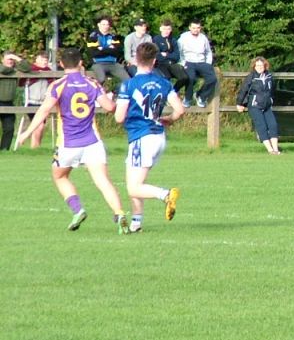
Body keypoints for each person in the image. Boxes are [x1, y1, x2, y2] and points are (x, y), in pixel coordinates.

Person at [16, 47, 129, 232]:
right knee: (103, 180)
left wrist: (26, 133)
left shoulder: (58, 85)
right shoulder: (92, 83)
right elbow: (109, 108)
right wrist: (111, 98)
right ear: (80, 63)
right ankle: (120, 213)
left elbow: (44, 110)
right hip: (92, 142)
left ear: (61, 64)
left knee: (59, 176)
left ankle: (78, 209)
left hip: (68, 143)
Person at [114, 41, 185, 231]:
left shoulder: (129, 85)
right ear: (154, 61)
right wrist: (169, 119)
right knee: (134, 181)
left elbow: (119, 117)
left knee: (133, 187)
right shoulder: (164, 83)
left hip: (141, 136)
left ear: (136, 60)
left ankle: (166, 195)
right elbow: (179, 110)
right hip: (158, 137)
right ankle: (136, 223)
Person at [236, 56, 281, 154]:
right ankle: (270, 150)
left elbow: (272, 90)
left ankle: (276, 149)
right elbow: (243, 90)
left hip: (267, 106)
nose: (260, 67)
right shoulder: (251, 77)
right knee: (262, 127)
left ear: (265, 66)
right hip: (255, 105)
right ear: (254, 67)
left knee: (273, 125)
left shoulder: (269, 76)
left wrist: (271, 100)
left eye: (261, 65)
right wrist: (239, 103)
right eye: (258, 65)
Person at [177, 20, 218, 107]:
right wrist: (183, 62)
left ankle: (201, 96)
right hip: (188, 61)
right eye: (194, 28)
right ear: (190, 28)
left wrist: (208, 63)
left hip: (201, 62)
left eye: (198, 28)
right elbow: (179, 51)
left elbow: (208, 52)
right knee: (191, 78)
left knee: (212, 79)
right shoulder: (183, 37)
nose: (196, 30)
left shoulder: (203, 38)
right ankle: (187, 98)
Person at [86, 16, 130, 92]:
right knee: (101, 79)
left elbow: (118, 51)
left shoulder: (113, 37)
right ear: (98, 25)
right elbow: (94, 53)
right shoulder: (93, 37)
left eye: (107, 24)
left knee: (128, 80)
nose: (106, 26)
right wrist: (110, 49)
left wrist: (102, 49)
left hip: (113, 63)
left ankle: (115, 91)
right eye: (103, 24)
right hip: (98, 63)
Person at [21, 51, 54, 147]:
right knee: (39, 125)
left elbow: (53, 83)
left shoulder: (49, 71)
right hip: (31, 102)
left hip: (43, 103)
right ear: (37, 59)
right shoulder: (31, 70)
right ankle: (34, 147)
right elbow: (22, 82)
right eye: (42, 59)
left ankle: (36, 146)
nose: (44, 62)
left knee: (40, 126)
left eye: (46, 60)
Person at [0, 50, 29, 151]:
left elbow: (27, 68)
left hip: (8, 102)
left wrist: (17, 58)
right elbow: (3, 69)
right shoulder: (6, 68)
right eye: (8, 59)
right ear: (2, 59)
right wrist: (13, 70)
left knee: (9, 128)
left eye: (12, 59)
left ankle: (4, 150)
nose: (10, 61)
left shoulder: (16, 69)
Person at [152, 20, 190, 93]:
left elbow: (177, 56)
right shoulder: (156, 39)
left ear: (171, 29)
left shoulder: (173, 40)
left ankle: (173, 92)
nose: (166, 31)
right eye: (165, 29)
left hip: (172, 63)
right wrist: (169, 55)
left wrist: (166, 55)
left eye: (168, 29)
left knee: (184, 77)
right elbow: (158, 56)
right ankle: (164, 96)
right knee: (166, 78)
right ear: (161, 29)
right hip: (161, 64)